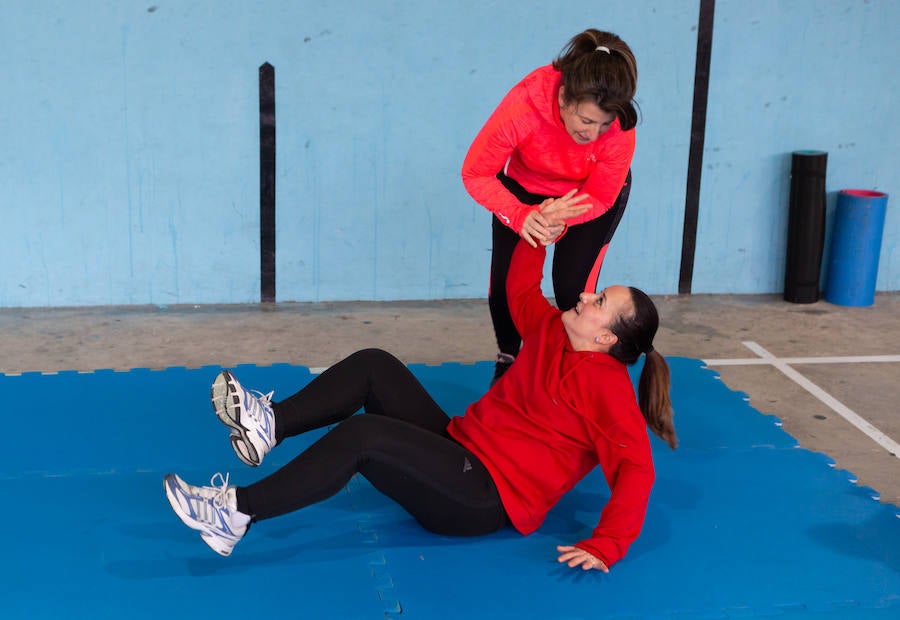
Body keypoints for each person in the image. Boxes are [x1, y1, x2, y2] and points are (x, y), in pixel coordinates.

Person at [164, 200, 676, 571]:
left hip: (482, 497)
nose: (587, 294)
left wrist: (607, 543)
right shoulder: (550, 330)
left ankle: (236, 513)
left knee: (364, 437)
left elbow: (636, 468)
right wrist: (539, 228)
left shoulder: (607, 388)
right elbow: (519, 287)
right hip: (461, 445)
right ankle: (267, 426)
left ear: (607, 337)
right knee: (374, 365)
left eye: (600, 301)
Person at [461, 28, 639, 384]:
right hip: (524, 190)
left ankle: (572, 374)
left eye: (603, 125)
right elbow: (476, 174)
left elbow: (602, 196)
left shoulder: (619, 127)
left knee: (575, 293)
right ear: (562, 99)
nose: (593, 135)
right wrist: (525, 214)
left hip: (586, 197)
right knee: (505, 288)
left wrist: (561, 217)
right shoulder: (523, 108)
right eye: (586, 121)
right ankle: (509, 361)